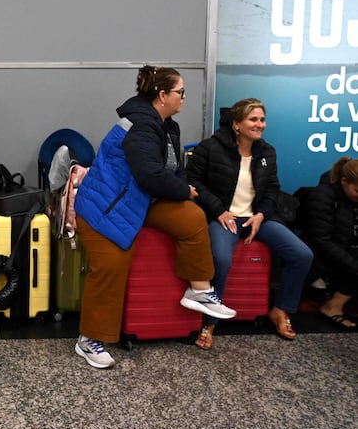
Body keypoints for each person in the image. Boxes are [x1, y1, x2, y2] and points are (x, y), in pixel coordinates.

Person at [72, 65, 236, 369]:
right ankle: (89, 339)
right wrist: (182, 190)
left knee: (190, 217)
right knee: (111, 265)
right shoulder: (142, 125)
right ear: (162, 95)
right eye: (180, 92)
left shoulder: (166, 125)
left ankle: (199, 290)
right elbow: (149, 174)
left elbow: (172, 172)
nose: (184, 97)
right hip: (106, 206)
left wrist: (185, 191)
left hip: (141, 200)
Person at [186, 98, 313, 349]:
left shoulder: (267, 152)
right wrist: (219, 210)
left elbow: (272, 189)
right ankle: (209, 321)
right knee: (221, 260)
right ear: (236, 123)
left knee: (302, 255)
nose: (259, 125)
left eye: (262, 119)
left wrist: (262, 215)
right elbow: (192, 181)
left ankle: (280, 309)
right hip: (223, 217)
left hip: (256, 218)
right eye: (253, 119)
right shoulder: (210, 148)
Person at [300, 156, 358, 329]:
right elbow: (321, 240)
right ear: (344, 182)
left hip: (346, 247)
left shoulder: (352, 195)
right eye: (357, 190)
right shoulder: (323, 196)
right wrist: (354, 265)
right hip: (323, 254)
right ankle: (333, 307)